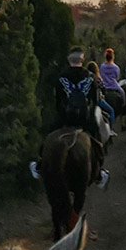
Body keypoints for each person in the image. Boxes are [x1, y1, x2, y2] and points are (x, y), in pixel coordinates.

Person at [30, 46, 110, 188]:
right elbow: (96, 101)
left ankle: (40, 165)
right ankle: (99, 173)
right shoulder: (90, 77)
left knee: (49, 136)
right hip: (85, 119)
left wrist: (62, 114)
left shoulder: (61, 77)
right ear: (82, 59)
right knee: (97, 141)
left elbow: (58, 101)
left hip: (65, 118)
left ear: (69, 59)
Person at [86, 61, 117, 136]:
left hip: (87, 101)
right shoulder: (97, 79)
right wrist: (103, 95)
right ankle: (110, 130)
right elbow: (103, 88)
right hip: (97, 100)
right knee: (111, 111)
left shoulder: (85, 77)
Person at [100, 47, 126, 117]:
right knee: (123, 93)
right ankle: (123, 108)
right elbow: (117, 77)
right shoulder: (116, 67)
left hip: (104, 86)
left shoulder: (102, 66)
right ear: (113, 57)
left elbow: (101, 75)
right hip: (114, 86)